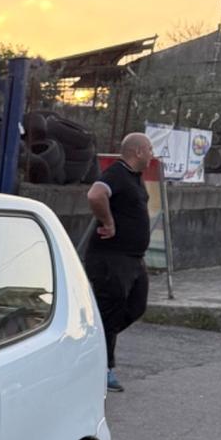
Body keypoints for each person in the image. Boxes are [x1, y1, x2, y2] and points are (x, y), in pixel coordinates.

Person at [84, 132, 153, 393]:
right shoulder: (118, 173)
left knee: (135, 307)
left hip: (133, 259)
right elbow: (95, 195)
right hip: (111, 258)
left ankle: (91, 342)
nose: (152, 154)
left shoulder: (134, 178)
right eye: (149, 149)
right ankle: (104, 368)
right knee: (110, 309)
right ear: (137, 152)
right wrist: (109, 222)